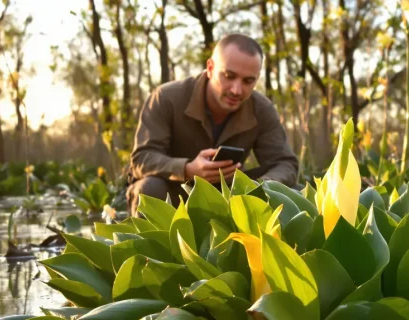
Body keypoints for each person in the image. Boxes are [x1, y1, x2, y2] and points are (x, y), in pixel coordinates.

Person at [126, 33, 299, 214]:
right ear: (210, 68)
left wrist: (256, 188)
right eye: (229, 76)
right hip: (175, 192)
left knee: (294, 192)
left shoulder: (262, 109)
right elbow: (142, 159)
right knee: (149, 189)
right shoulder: (166, 97)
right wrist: (187, 169)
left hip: (233, 197)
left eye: (248, 81)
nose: (237, 90)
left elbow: (285, 163)